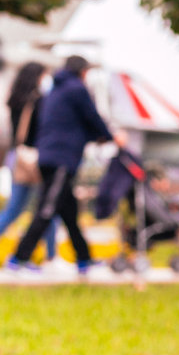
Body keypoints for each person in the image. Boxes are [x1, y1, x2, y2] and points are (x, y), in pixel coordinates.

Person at [5, 56, 122, 277]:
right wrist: (110, 136)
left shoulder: (55, 91)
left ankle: (84, 259)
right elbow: (92, 117)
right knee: (46, 210)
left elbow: (71, 124)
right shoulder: (76, 89)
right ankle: (18, 258)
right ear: (82, 71)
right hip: (61, 158)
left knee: (69, 212)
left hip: (50, 156)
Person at [0, 61, 59, 264]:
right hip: (33, 159)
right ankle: (51, 256)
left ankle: (50, 255)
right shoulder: (38, 101)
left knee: (14, 210)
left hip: (17, 156)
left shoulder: (16, 99)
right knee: (47, 209)